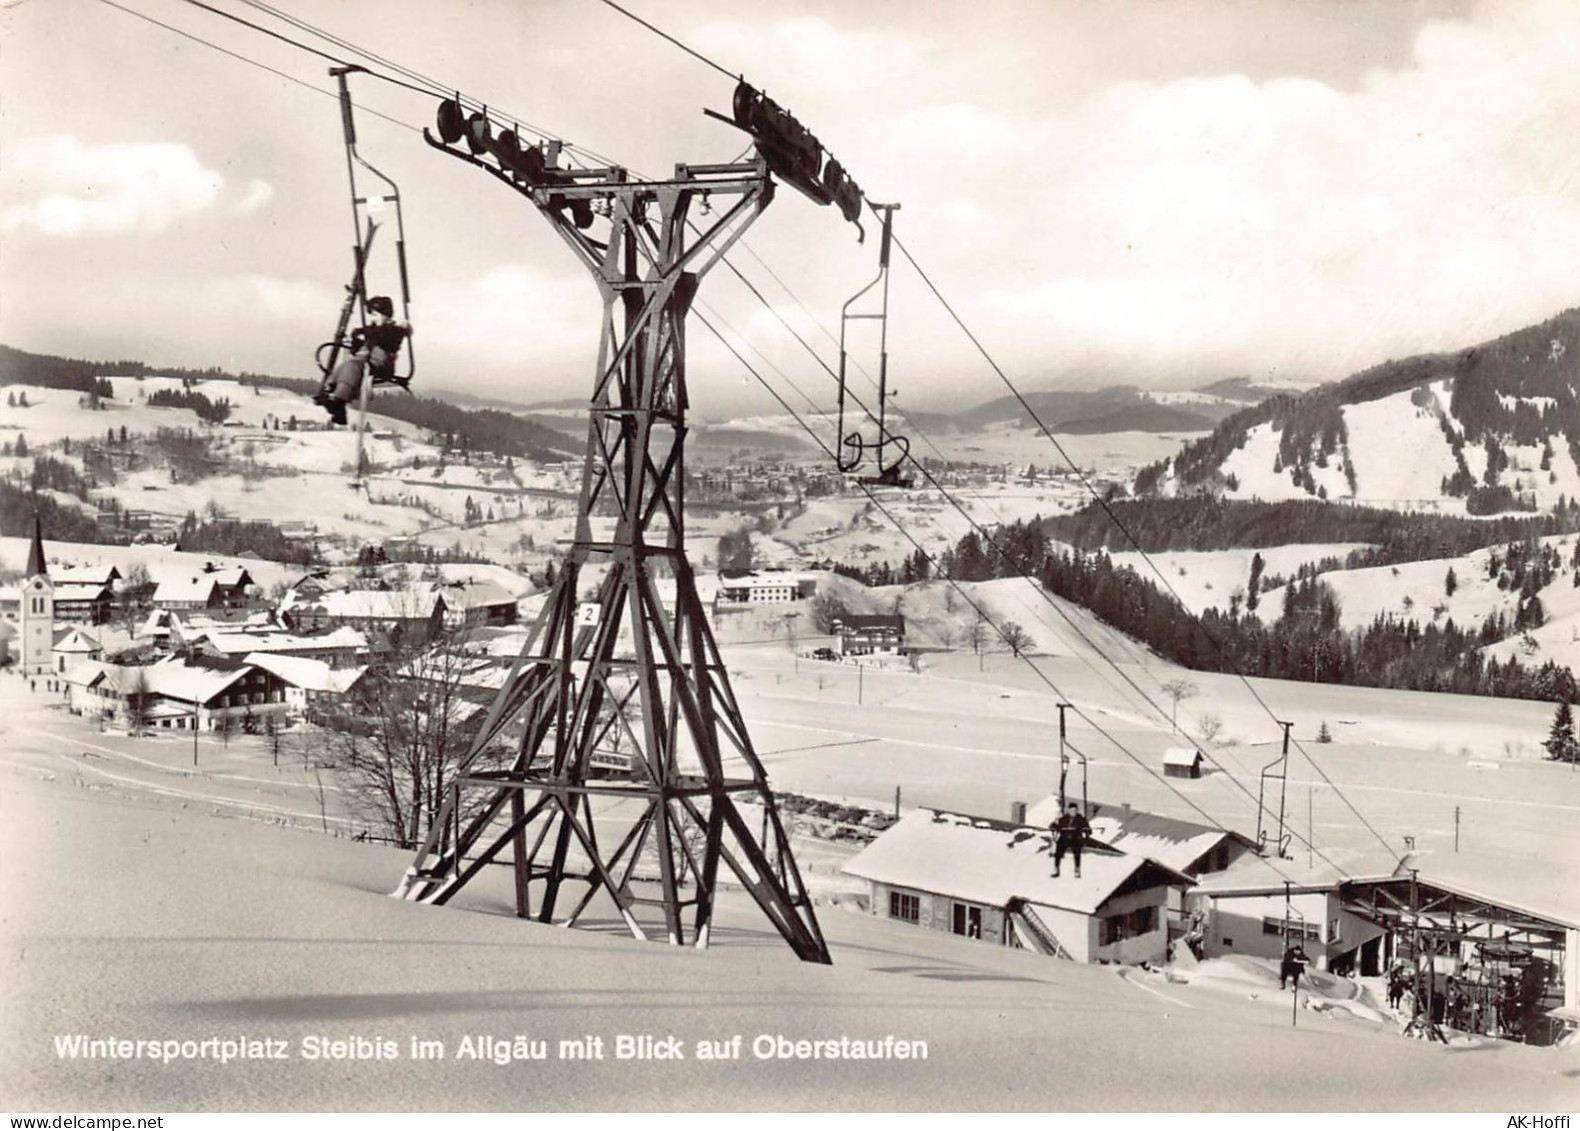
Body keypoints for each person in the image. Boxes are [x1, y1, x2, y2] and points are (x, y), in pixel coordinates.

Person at [315, 296, 410, 425]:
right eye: (371, 315)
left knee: (352, 366)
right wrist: (356, 341)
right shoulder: (375, 331)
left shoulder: (394, 330)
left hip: (380, 365)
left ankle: (339, 402)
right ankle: (333, 397)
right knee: (345, 366)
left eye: (375, 315)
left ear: (386, 315)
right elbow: (368, 343)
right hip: (366, 362)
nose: (373, 319)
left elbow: (381, 334)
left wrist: (361, 331)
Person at [1051, 802, 1090, 878]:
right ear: (1069, 810)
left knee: (1077, 852)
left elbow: (1088, 829)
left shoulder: (1081, 819)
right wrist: (1054, 824)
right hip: (1064, 838)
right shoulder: (1063, 819)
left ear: (1077, 810)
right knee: (1058, 852)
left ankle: (1077, 870)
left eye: (1075, 810)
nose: (1073, 812)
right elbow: (1056, 827)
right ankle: (1056, 869)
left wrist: (1085, 832)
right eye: (1071, 810)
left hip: (1075, 838)